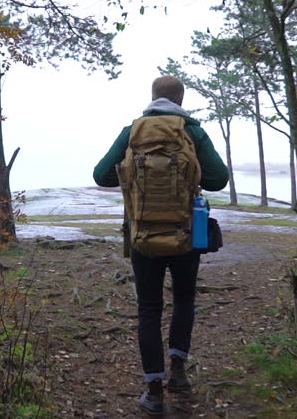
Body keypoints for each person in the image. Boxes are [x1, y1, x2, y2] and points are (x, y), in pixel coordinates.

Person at [93, 76, 229, 414]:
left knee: (149, 308)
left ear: (152, 97)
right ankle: (179, 372)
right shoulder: (192, 132)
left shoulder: (133, 131)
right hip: (187, 232)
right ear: (181, 99)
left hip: (142, 234)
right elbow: (218, 179)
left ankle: (154, 390)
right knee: (184, 298)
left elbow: (101, 175)